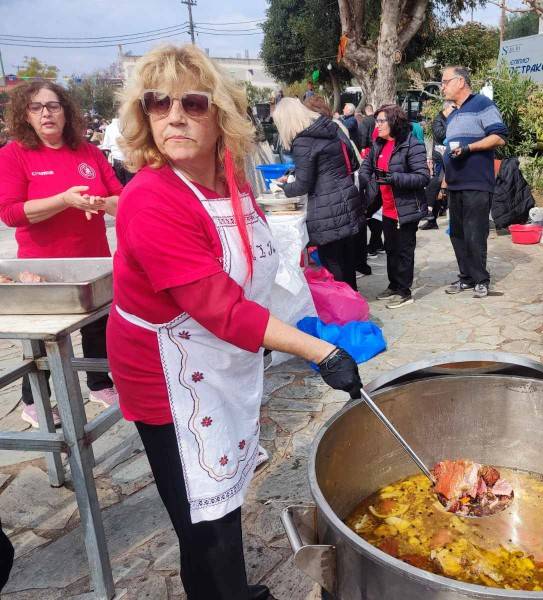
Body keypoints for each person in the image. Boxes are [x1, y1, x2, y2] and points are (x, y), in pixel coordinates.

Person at [109, 44, 362, 600]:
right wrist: (321, 352)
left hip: (219, 360)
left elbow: (250, 276)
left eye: (192, 103)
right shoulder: (151, 198)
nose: (174, 116)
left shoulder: (230, 181)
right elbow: (220, 307)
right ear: (143, 115)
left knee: (223, 500)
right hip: (170, 379)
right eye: (158, 103)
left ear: (220, 113)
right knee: (205, 523)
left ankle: (228, 590)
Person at [0, 80, 122, 428]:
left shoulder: (87, 151)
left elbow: (119, 197)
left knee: (99, 325)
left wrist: (102, 202)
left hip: (92, 258)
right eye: (36, 107)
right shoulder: (14, 155)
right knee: (44, 339)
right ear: (26, 115)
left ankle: (100, 384)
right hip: (42, 264)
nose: (46, 113)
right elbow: (10, 212)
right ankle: (34, 401)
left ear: (66, 111)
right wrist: (64, 200)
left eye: (53, 105)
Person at [272, 98, 364, 290]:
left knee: (332, 265)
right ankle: (353, 305)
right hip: (346, 199)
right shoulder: (328, 129)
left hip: (326, 210)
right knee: (346, 261)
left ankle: (343, 311)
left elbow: (303, 185)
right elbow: (324, 167)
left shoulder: (303, 141)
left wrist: (282, 188)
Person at [440, 66, 508, 299]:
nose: (443, 87)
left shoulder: (482, 104)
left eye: (445, 82)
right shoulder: (453, 112)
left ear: (460, 82)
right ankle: (466, 278)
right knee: (457, 233)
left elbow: (499, 136)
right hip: (455, 182)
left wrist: (469, 148)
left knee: (474, 233)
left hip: (476, 181)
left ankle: (481, 280)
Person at [359, 104, 429, 309]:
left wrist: (394, 178)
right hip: (385, 208)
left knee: (404, 251)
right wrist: (371, 181)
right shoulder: (378, 144)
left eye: (381, 121)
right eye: (377, 121)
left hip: (405, 208)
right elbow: (365, 169)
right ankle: (393, 284)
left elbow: (423, 176)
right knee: (390, 249)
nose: (377, 125)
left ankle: (404, 291)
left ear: (394, 122)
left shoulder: (411, 144)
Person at [302, 95, 370, 278]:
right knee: (347, 256)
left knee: (333, 261)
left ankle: (344, 302)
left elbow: (307, 177)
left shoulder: (317, 136)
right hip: (348, 195)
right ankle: (353, 299)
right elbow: (354, 162)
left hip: (329, 204)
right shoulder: (337, 129)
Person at [100, 116, 134, 185]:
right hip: (129, 158)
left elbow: (106, 146)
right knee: (131, 182)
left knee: (121, 183)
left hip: (117, 159)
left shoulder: (109, 127)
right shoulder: (129, 124)